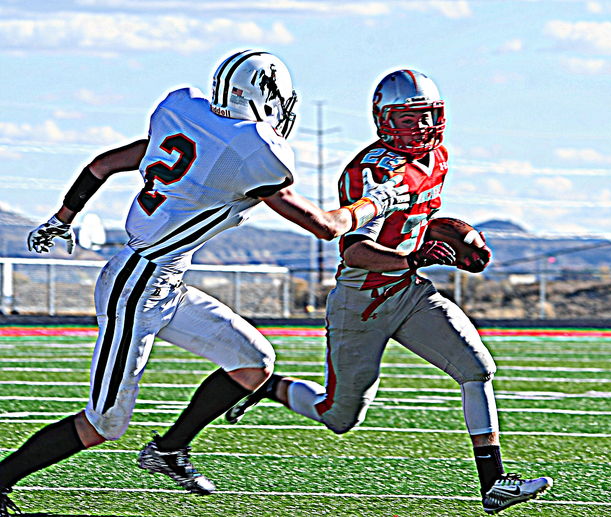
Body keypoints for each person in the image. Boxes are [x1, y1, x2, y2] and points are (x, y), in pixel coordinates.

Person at [0, 50, 410, 516]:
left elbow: (101, 164)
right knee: (104, 424)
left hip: (165, 283)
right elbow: (327, 226)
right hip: (135, 287)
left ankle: (169, 450)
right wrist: (378, 201)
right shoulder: (250, 151)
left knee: (254, 363)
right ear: (266, 98)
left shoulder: (184, 115)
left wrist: (63, 217)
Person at [225, 68, 553, 515]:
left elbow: (418, 221)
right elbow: (356, 251)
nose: (421, 127)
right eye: (408, 118)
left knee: (477, 368)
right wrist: (416, 257)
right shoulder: (371, 172)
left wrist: (455, 237)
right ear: (383, 120)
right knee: (340, 417)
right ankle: (269, 387)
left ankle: (494, 484)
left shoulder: (438, 159)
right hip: (362, 299)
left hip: (409, 291)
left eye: (428, 116)